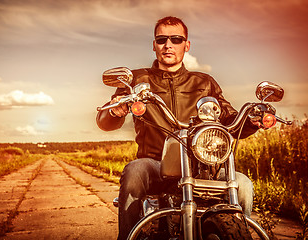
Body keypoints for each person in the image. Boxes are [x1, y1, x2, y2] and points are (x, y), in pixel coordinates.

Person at [96, 16, 258, 240]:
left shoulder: (204, 83)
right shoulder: (137, 80)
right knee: (134, 172)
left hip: (202, 167)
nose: (168, 44)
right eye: (161, 39)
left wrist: (252, 119)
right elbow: (104, 121)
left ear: (186, 44)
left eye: (176, 39)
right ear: (154, 45)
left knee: (243, 185)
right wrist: (116, 110)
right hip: (155, 163)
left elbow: (230, 120)